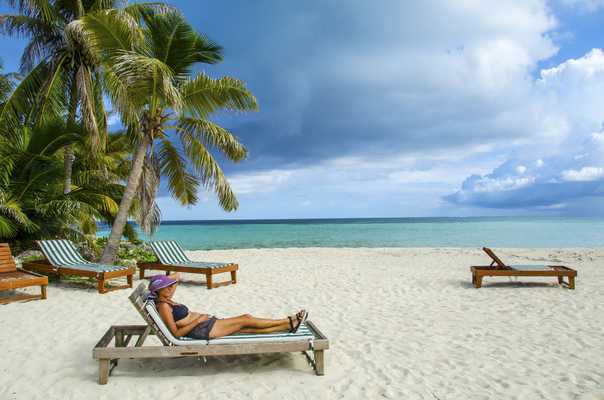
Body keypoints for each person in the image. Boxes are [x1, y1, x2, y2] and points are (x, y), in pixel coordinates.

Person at [146, 274, 307, 341]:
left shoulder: (166, 299)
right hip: (202, 329)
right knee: (246, 319)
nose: (171, 288)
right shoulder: (164, 307)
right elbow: (175, 334)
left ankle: (288, 325)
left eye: (170, 286)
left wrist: (163, 283)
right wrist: (198, 320)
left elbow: (176, 278)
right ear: (158, 291)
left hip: (205, 324)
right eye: (167, 287)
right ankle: (287, 321)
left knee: (247, 329)